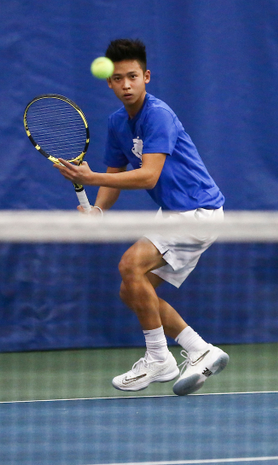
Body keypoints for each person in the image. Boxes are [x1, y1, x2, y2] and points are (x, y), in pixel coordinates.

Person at [54, 38, 229, 396]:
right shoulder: (118, 123)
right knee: (133, 289)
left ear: (146, 77)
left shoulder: (158, 115)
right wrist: (98, 209)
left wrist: (89, 179)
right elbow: (115, 173)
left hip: (198, 210)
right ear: (110, 83)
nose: (126, 85)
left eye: (133, 76)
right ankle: (199, 349)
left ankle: (159, 359)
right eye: (118, 79)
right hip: (175, 212)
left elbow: (147, 176)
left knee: (129, 265)